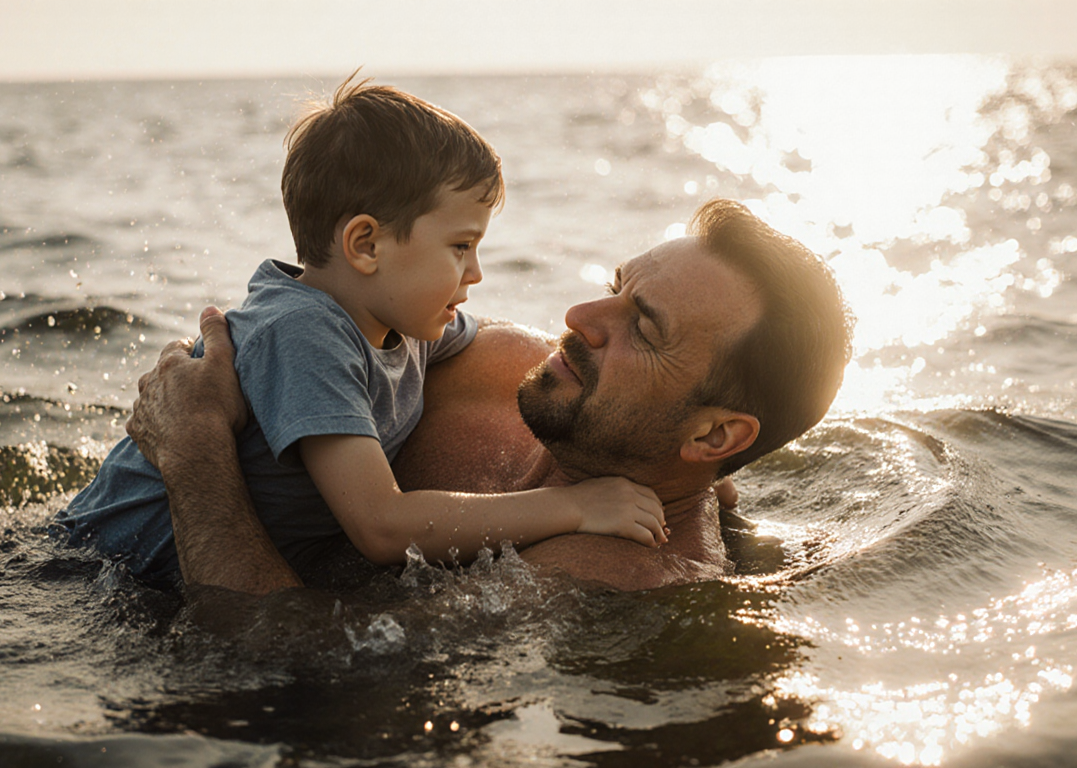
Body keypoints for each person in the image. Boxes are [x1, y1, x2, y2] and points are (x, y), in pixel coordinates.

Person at [55, 77, 669, 588]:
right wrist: (577, 507)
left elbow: (526, 356)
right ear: (366, 244)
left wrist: (661, 442)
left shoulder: (402, 317)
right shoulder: (304, 334)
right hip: (86, 568)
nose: (476, 273)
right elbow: (382, 526)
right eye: (460, 246)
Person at [124, 199, 854, 594]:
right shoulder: (505, 364)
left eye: (645, 326)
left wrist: (193, 451)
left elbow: (277, 670)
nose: (578, 321)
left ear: (716, 438)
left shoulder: (603, 579)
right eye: (614, 289)